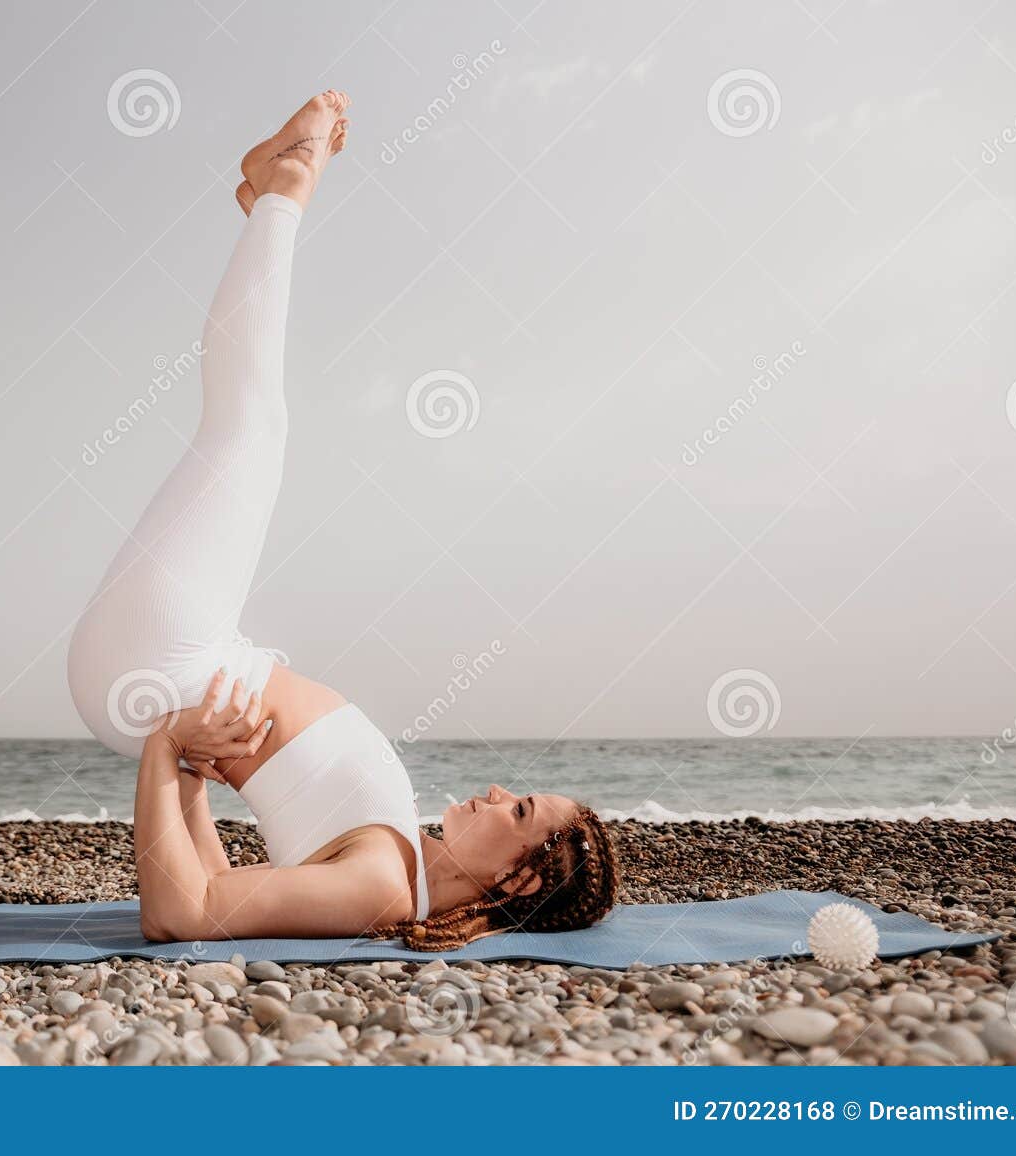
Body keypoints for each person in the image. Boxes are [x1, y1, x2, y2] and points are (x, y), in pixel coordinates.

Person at [67, 91, 618, 948]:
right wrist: (182, 764)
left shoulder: (382, 885)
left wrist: (166, 741)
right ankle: (275, 193)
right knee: (249, 425)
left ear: (520, 874)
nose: (496, 791)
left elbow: (181, 917)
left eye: (518, 809)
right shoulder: (397, 864)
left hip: (165, 667)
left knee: (251, 425)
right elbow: (211, 884)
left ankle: (285, 185)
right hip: (168, 673)